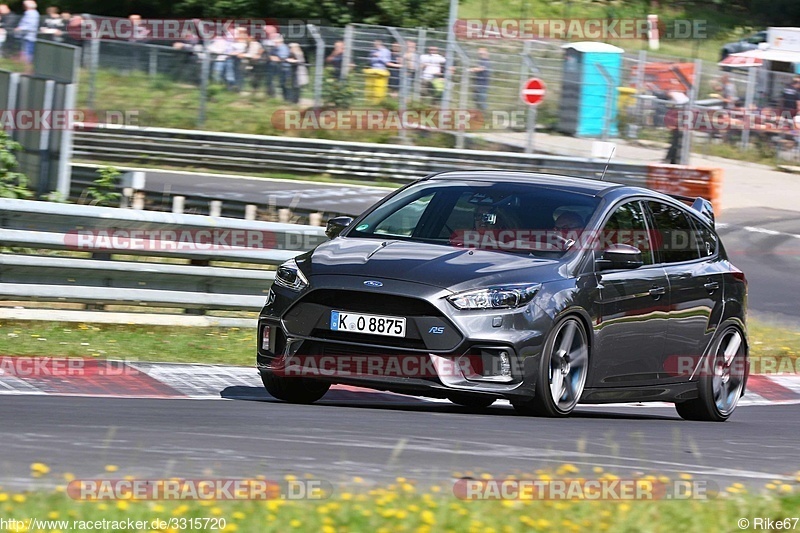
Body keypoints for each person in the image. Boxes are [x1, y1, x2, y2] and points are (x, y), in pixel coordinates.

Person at [470, 47, 491, 111]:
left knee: (482, 99)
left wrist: (472, 69)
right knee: (476, 97)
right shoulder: (481, 60)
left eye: (481, 53)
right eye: (479, 53)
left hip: (482, 83)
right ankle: (478, 111)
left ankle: (485, 113)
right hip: (478, 82)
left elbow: (481, 68)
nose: (480, 55)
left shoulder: (486, 61)